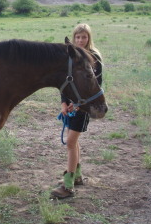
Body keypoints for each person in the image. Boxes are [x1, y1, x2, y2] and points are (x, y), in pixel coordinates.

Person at [51, 23, 103, 198]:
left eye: (84, 37)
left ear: (89, 38)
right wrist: (64, 103)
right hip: (72, 105)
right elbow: (66, 81)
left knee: (71, 143)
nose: (80, 40)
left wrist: (79, 105)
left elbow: (94, 87)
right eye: (78, 37)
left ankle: (68, 186)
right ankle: (77, 176)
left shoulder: (94, 58)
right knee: (74, 142)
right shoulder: (73, 56)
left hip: (83, 106)